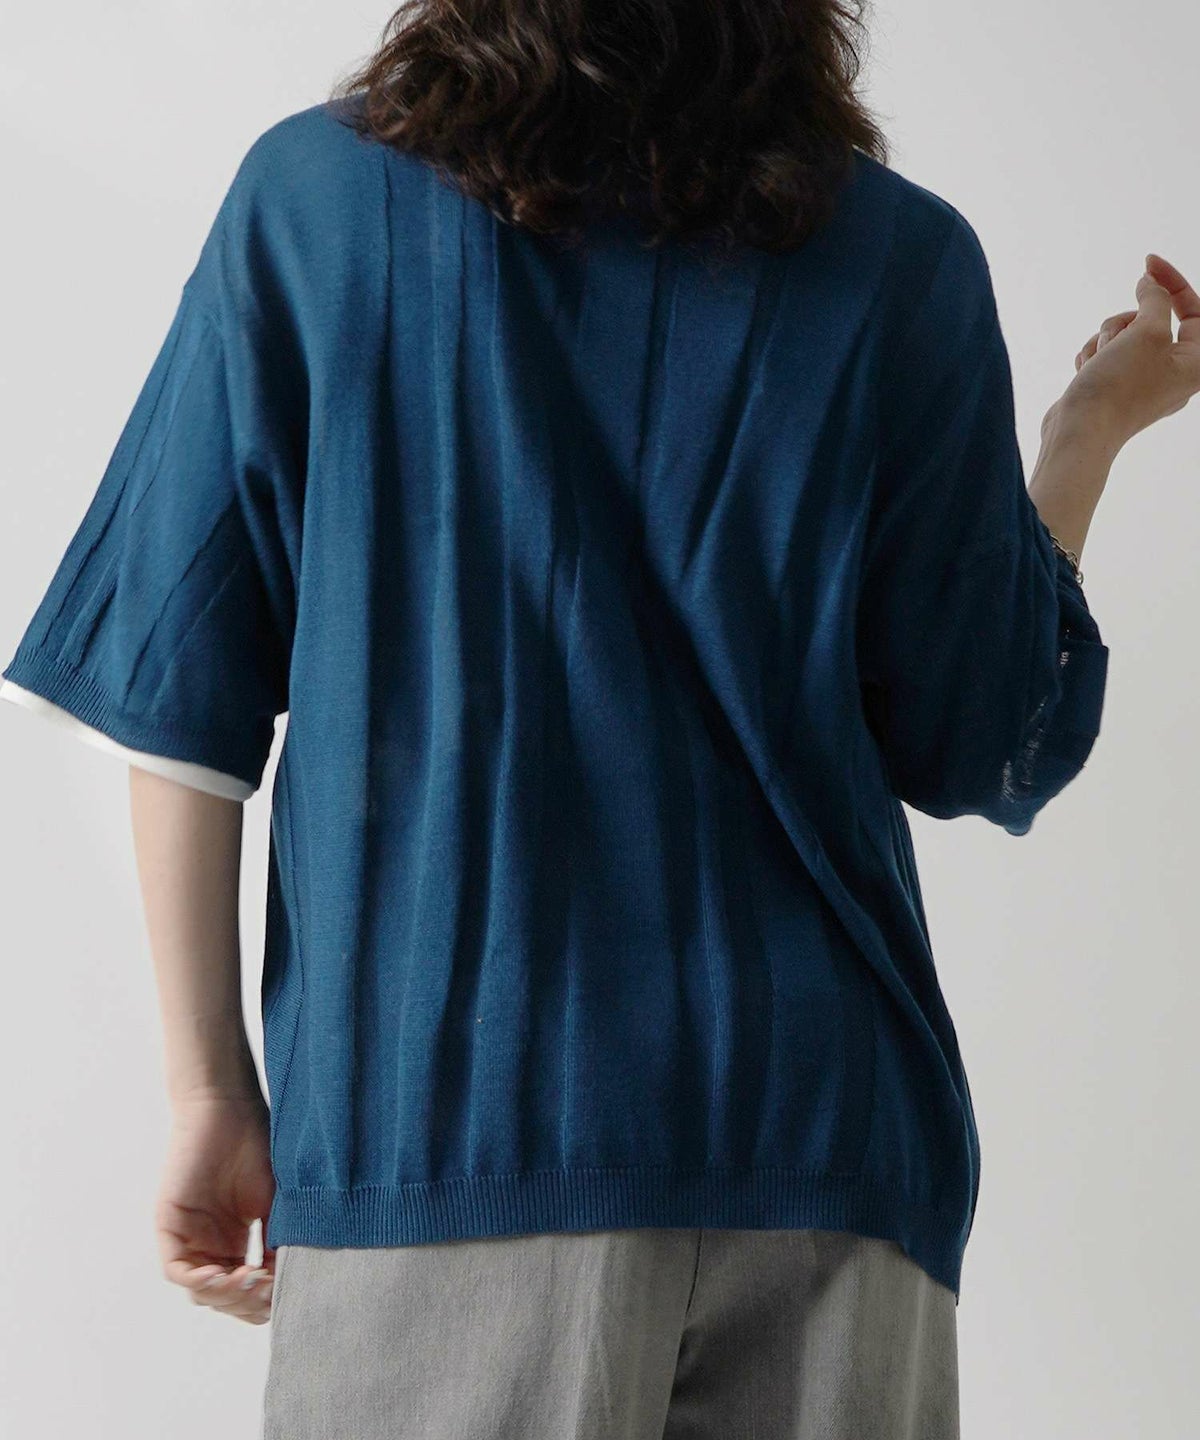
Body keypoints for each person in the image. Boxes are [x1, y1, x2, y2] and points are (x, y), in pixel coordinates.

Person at [2, 0, 1197, 1434]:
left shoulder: (317, 203)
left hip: (452, 1132)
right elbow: (978, 732)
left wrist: (211, 1095)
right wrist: (1083, 438)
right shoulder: (900, 253)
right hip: (832, 1160)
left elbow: (172, 692)